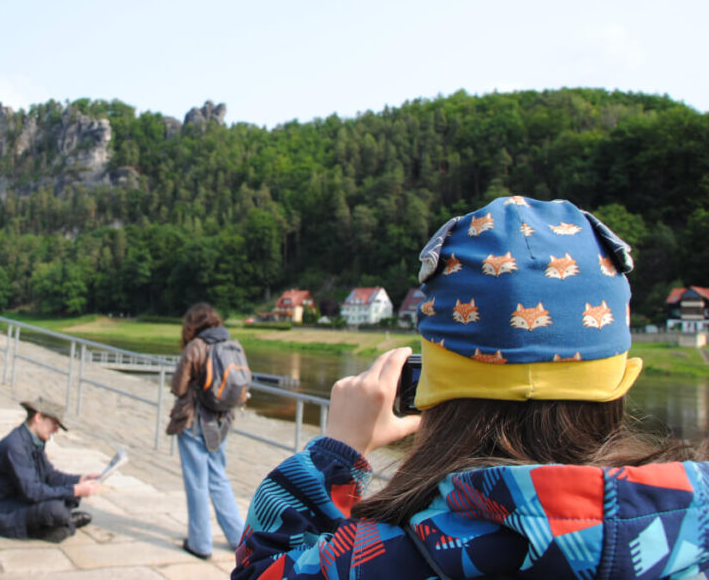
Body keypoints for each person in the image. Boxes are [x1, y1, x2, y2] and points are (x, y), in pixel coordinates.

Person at [234, 196, 709, 579]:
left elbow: (264, 569)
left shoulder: (380, 558)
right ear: (619, 380)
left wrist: (334, 456)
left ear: (431, 388)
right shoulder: (695, 532)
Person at [167, 303, 244, 560]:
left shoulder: (196, 347)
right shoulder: (231, 344)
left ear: (192, 325)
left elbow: (178, 387)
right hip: (222, 421)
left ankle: (200, 543)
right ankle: (239, 539)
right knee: (218, 478)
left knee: (196, 482)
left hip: (194, 422)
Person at [0, 397, 100, 542]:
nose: (56, 430)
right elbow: (32, 492)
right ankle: (62, 525)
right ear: (38, 417)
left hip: (19, 499)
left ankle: (59, 523)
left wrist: (80, 480)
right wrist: (74, 490)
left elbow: (50, 475)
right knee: (56, 508)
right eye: (54, 424)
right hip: (0, 511)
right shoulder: (15, 447)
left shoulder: (33, 440)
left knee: (68, 495)